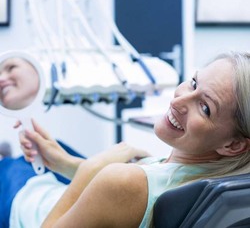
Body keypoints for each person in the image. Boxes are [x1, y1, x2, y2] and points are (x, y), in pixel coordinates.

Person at [5, 51, 250, 227]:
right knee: (54, 149)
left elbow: (116, 189)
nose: (177, 100)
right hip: (81, 198)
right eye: (193, 83)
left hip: (26, 211)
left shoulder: (123, 181)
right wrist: (65, 164)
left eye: (205, 107)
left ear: (234, 145)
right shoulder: (218, 180)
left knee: (12, 163)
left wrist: (90, 169)